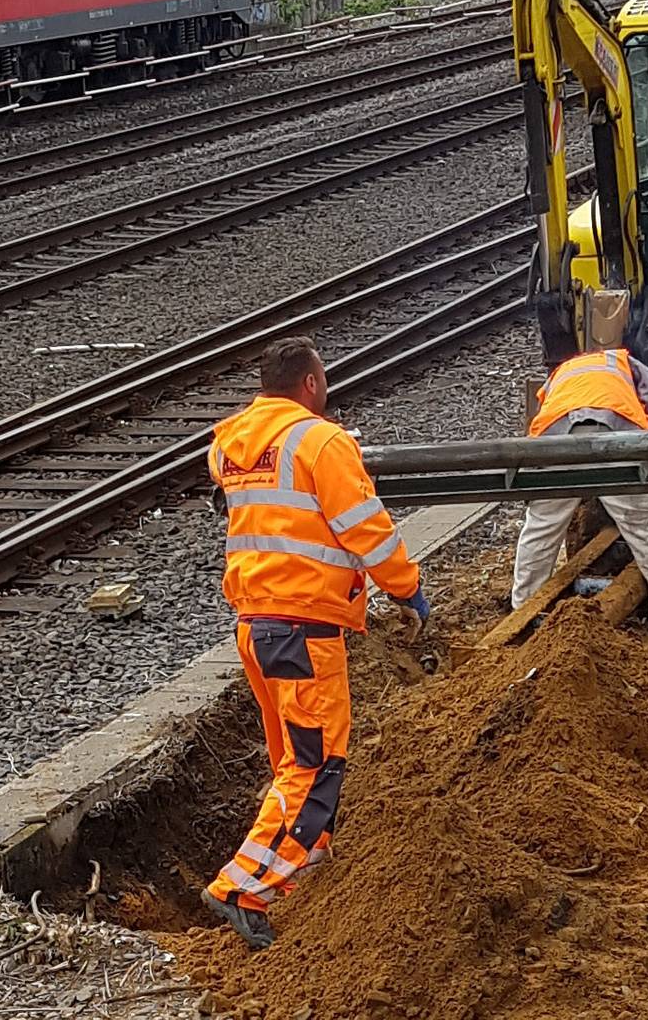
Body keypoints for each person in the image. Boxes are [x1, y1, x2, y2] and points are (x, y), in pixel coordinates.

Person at [199, 336, 427, 948]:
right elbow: (365, 529)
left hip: (255, 624)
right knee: (315, 763)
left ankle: (304, 863)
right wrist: (406, 588)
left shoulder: (230, 443)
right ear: (310, 384)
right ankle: (242, 886)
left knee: (290, 759)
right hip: (304, 628)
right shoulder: (320, 441)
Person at [509, 343, 648, 631]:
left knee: (542, 526)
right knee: (645, 525)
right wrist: (647, 437)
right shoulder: (624, 362)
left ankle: (521, 611)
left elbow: (542, 413)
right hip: (616, 435)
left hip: (555, 440)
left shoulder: (562, 371)